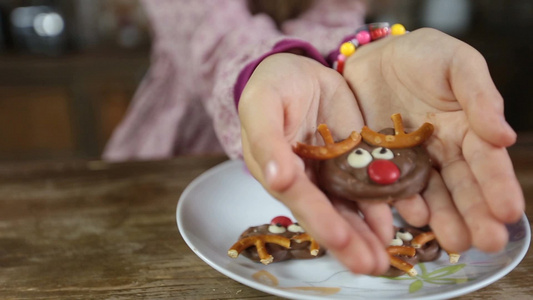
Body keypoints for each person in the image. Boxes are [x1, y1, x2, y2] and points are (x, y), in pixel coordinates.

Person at [104, 0, 524, 275]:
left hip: (326, 116)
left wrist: (360, 55)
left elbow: (334, 18)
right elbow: (210, 38)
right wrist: (270, 67)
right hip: (171, 156)